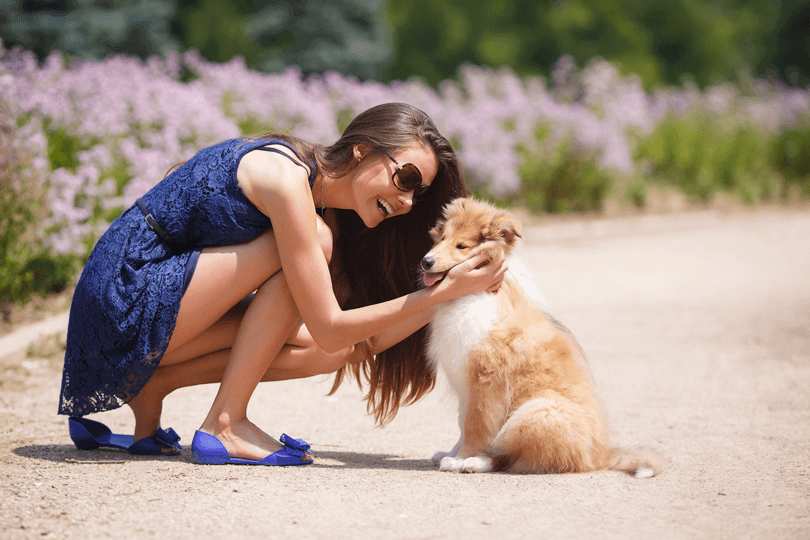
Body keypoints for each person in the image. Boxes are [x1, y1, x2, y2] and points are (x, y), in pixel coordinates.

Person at [58, 102, 506, 465]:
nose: (408, 200)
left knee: (325, 352)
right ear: (362, 150)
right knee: (319, 258)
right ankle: (226, 423)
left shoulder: (322, 204)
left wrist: (448, 293)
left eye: (419, 191)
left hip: (157, 305)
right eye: (406, 177)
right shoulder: (287, 179)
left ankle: (155, 385)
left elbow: (346, 343)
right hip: (121, 297)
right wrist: (440, 292)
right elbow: (332, 324)